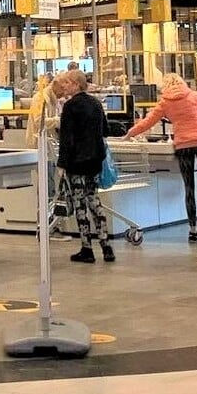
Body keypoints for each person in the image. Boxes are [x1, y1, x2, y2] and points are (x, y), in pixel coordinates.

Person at [125, 75, 197, 241]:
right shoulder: (194, 95)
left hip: (183, 145)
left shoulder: (165, 102)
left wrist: (129, 134)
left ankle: (192, 230)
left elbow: (147, 122)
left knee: (189, 187)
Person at [54, 69, 113, 264]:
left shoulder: (70, 107)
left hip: (77, 163)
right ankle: (106, 245)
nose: (64, 86)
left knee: (80, 204)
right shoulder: (96, 104)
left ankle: (87, 248)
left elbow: (67, 139)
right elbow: (106, 129)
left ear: (77, 85)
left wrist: (62, 164)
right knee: (94, 200)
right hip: (94, 161)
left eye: (68, 83)